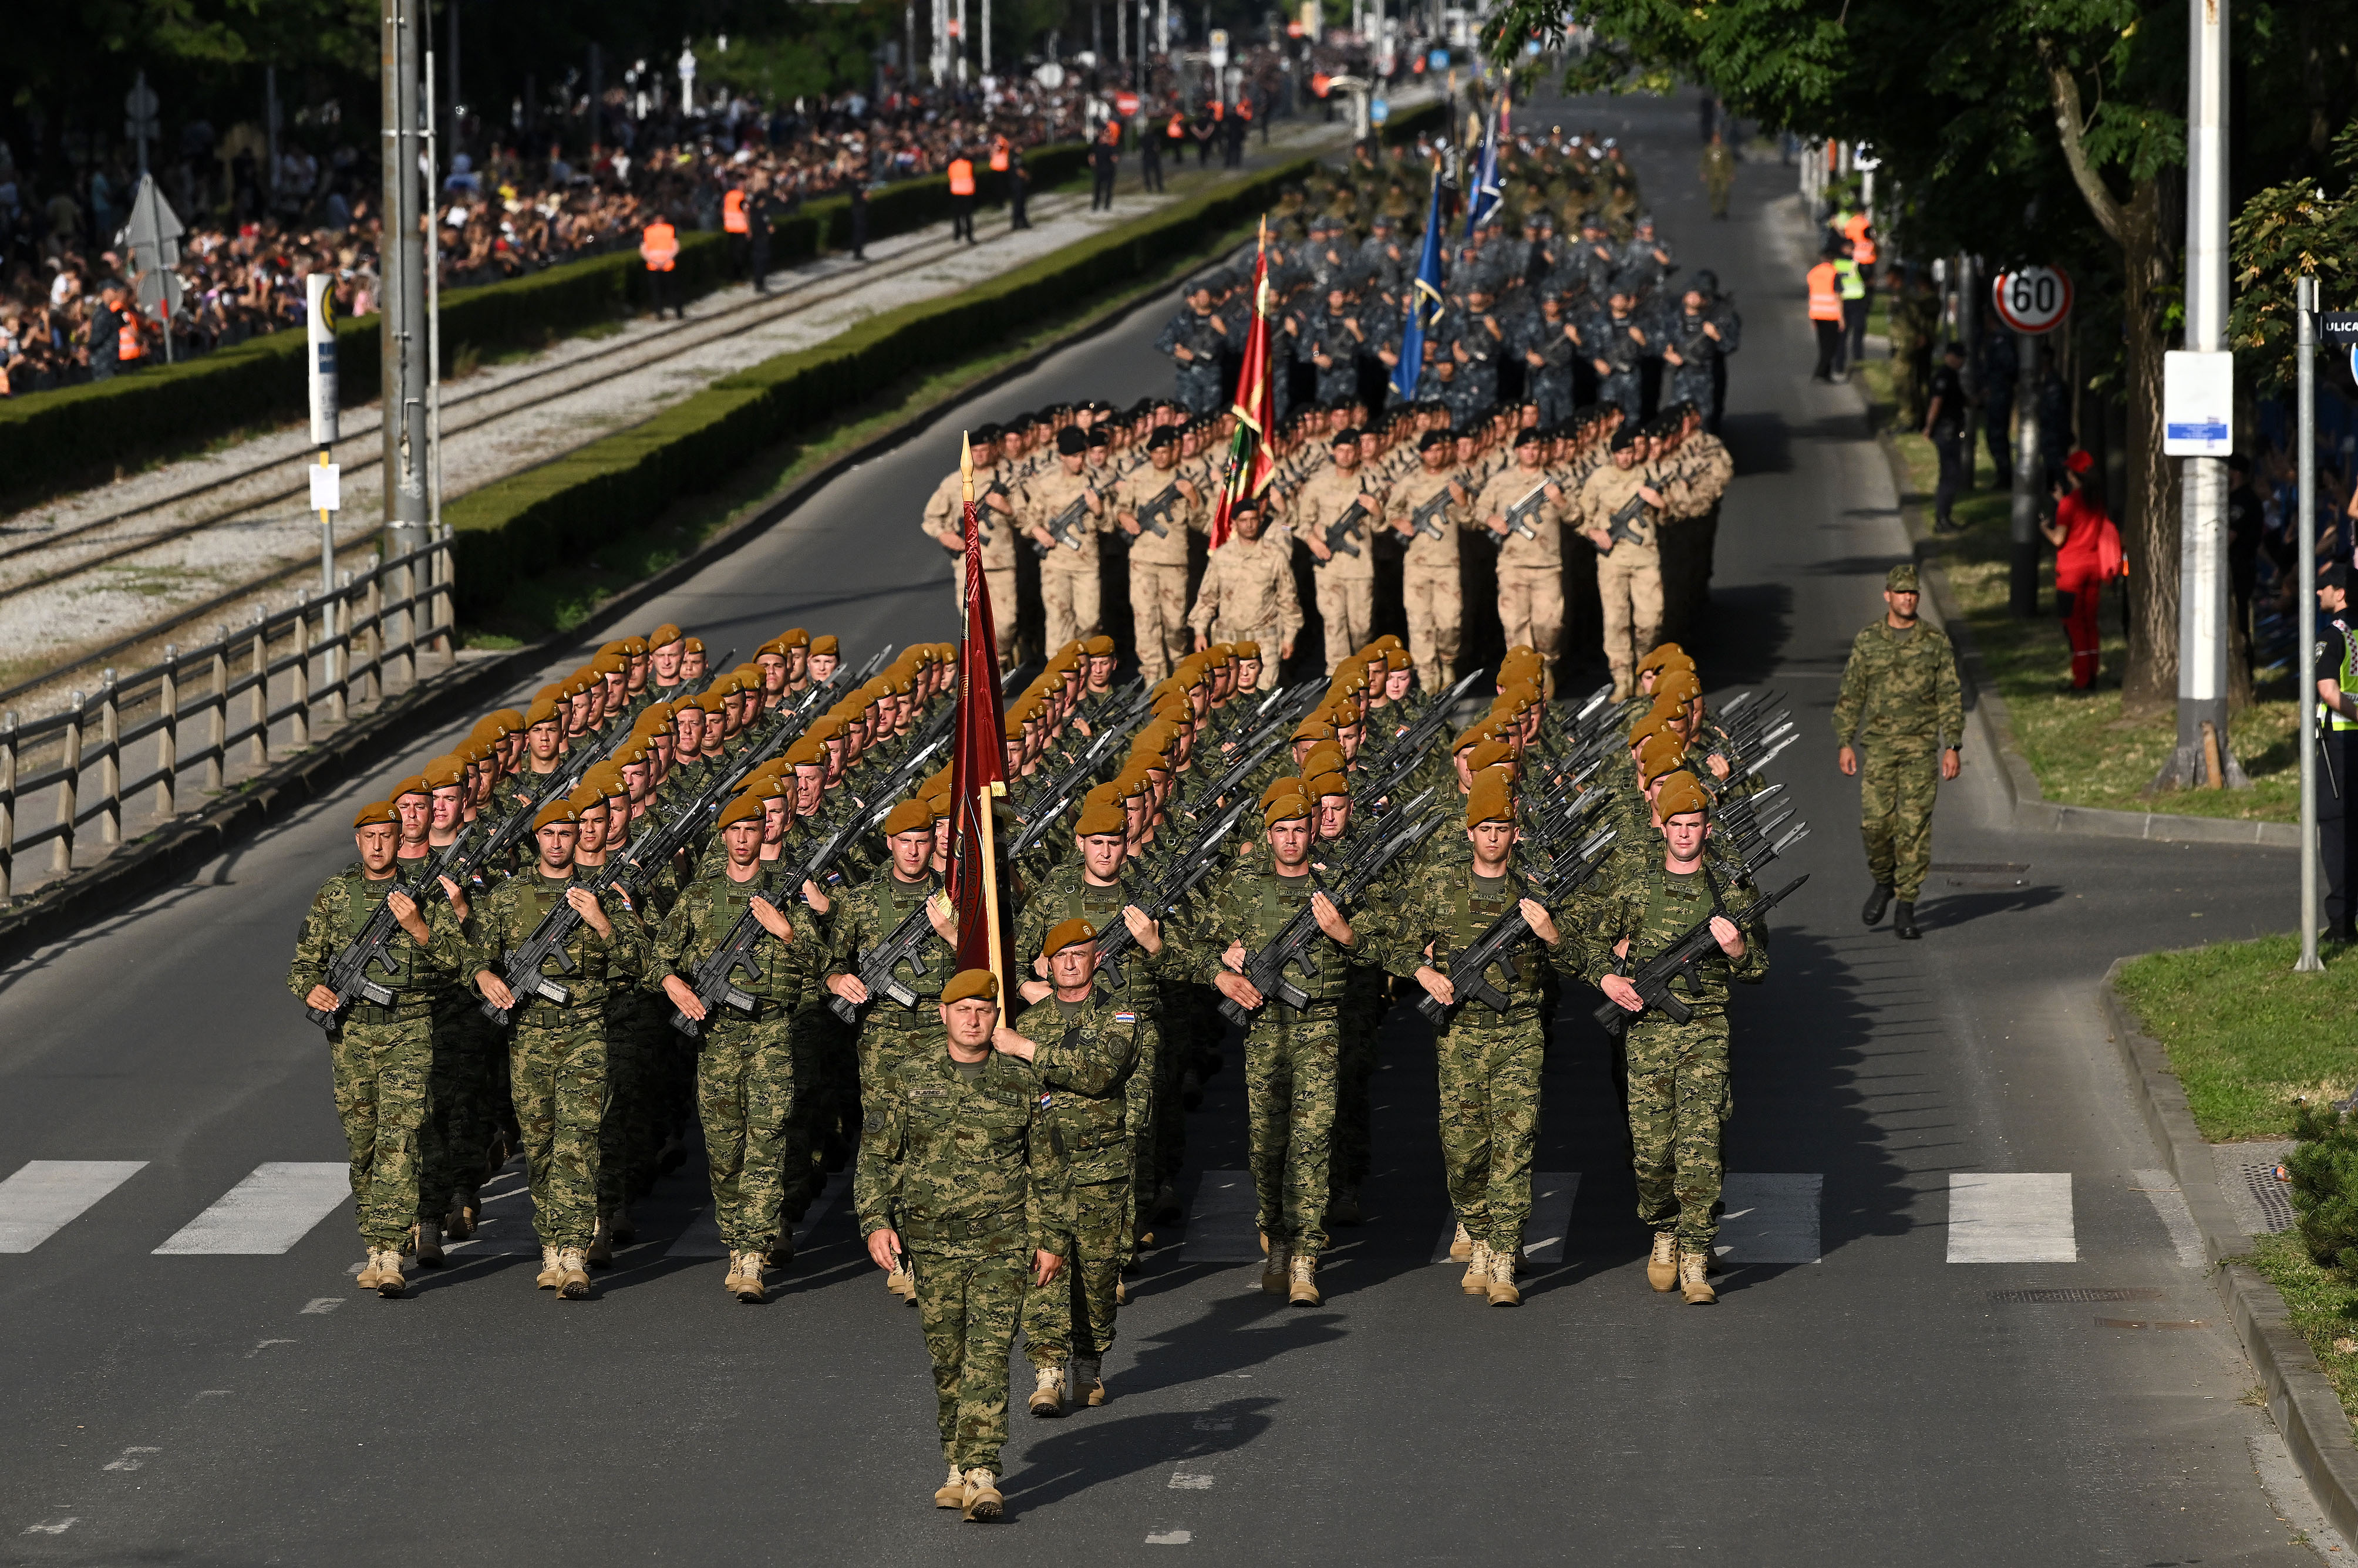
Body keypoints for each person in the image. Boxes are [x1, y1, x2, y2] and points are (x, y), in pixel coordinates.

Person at [857, 968, 1069, 1522]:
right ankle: (956, 1458)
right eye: (963, 1010)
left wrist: (1051, 1239)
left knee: (988, 1354)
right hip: (932, 1245)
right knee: (948, 1358)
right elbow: (878, 1156)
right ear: (944, 1015)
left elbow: (1048, 1167)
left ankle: (981, 1471)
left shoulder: (1023, 1082)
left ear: (996, 1017)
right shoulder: (907, 1077)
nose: (974, 1020)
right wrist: (877, 1221)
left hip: (1003, 1241)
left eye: (984, 1010)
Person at [1374, 774, 1577, 1306]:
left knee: (1515, 1145)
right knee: (1464, 1152)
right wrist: (1422, 972)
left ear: (1515, 833)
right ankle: (1479, 1228)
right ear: (1469, 834)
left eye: (1502, 828)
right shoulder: (1440, 886)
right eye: (1484, 828)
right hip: (1460, 1035)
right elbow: (1394, 943)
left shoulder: (1536, 887)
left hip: (1519, 1031)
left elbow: (1581, 957)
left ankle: (1503, 1251)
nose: (1493, 837)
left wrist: (1552, 933)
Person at [1585, 770, 1771, 1305]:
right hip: (1646, 1035)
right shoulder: (1636, 886)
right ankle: (1663, 1228)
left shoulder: (1730, 889)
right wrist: (1609, 976)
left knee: (1700, 1146)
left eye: (1695, 824)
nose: (1686, 833)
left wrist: (1737, 951)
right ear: (1662, 827)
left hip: (1706, 1030)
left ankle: (1694, 1253)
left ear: (1708, 829)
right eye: (1677, 824)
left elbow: (1758, 967)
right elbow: (1585, 945)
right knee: (1650, 1154)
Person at [466, 797, 645, 1297]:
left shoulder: (604, 892)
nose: (560, 841)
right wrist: (484, 974)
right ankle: (551, 1244)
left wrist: (603, 922)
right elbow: (472, 952)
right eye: (550, 833)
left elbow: (641, 959)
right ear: (536, 839)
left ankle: (572, 1252)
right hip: (529, 1036)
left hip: (586, 1029)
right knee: (541, 1145)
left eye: (568, 833)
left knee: (579, 1140)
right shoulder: (509, 896)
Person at [1193, 788, 1363, 1306]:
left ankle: (1306, 1254)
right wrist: (1222, 968)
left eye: (1299, 829)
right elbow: (1195, 941)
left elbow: (1382, 941)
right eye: (1281, 830)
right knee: (1267, 1145)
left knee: (1312, 1139)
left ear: (1313, 829)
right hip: (1265, 1027)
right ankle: (1277, 1235)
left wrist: (1344, 932)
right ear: (1268, 835)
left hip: (1319, 1024)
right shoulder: (1243, 884)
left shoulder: (1334, 882)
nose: (1291, 839)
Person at [287, 801, 463, 1296]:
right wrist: (312, 989)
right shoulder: (335, 894)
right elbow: (303, 963)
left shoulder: (420, 894)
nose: (380, 844)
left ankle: (389, 1251)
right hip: (352, 1035)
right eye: (371, 837)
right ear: (358, 841)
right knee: (363, 1142)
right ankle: (375, 1237)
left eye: (388, 835)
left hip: (408, 1028)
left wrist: (419, 927)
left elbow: (457, 959)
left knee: (397, 1138)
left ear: (399, 837)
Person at [652, 793, 819, 1303]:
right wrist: (673, 984)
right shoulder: (701, 896)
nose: (745, 838)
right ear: (723, 836)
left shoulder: (783, 894)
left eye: (754, 829)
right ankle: (735, 1237)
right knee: (726, 1151)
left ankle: (752, 1252)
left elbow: (821, 960)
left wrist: (785, 929)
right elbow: (659, 950)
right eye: (736, 830)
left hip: (771, 1032)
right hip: (719, 1036)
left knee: (767, 1144)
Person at [1006, 919, 1140, 1418]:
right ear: (1046, 963)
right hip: (1044, 1171)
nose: (1067, 962)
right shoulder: (1030, 1021)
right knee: (1043, 1266)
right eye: (1059, 955)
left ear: (1096, 959)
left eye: (1078, 953)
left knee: (1098, 1275)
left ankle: (1089, 1357)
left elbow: (1100, 1072)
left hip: (1099, 1168)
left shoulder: (1119, 1017)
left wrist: (1028, 1051)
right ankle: (1048, 1368)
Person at [1833, 564, 1964, 941]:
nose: (1908, 598)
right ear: (1887, 595)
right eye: (1901, 592)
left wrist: (1953, 745)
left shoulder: (1935, 642)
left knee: (1913, 829)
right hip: (1879, 749)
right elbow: (1852, 691)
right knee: (1875, 826)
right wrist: (1845, 740)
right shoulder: (1869, 639)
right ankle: (1883, 880)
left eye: (1913, 593)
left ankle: (1907, 905)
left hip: (1921, 749)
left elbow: (1950, 696)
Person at [1187, 496, 1302, 676]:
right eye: (1243, 521)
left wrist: (1289, 637)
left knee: (1265, 699)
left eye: (1253, 520)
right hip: (1227, 643)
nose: (1249, 525)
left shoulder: (1275, 556)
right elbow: (1208, 598)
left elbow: (1288, 599)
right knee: (1228, 700)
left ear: (1260, 520)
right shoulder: (1222, 556)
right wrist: (1200, 632)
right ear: (1234, 523)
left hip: (1264, 643)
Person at [2040, 450, 2118, 691]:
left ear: (2073, 475)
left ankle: (2082, 679)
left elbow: (2058, 539)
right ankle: (2092, 671)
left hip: (2071, 573)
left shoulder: (2068, 504)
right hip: (2093, 569)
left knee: (2074, 626)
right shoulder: (2096, 500)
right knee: (2090, 624)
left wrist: (2045, 527)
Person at [2315, 565, 2358, 943]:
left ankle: (2342, 925)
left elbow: (2329, 691)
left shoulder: (2334, 636)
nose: (2317, 593)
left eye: (2322, 587)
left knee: (2336, 831)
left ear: (2341, 593)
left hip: (2340, 746)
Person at [1925, 342, 1969, 534]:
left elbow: (1959, 400)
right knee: (1950, 476)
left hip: (1952, 431)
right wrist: (1929, 427)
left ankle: (1944, 517)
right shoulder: (1944, 376)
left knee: (1951, 475)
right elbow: (1937, 403)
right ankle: (1942, 520)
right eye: (1959, 357)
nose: (1962, 361)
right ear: (1949, 356)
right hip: (1946, 432)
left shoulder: (1952, 376)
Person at [1807, 247, 1844, 382]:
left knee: (1823, 346)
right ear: (1834, 259)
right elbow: (1838, 296)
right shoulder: (1834, 273)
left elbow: (1812, 294)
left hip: (1817, 313)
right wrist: (1842, 318)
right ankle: (1820, 372)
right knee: (1832, 347)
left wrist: (1811, 316)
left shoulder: (1814, 273)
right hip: (1831, 315)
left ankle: (1826, 375)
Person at [639, 215, 684, 319]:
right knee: (673, 289)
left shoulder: (648, 231)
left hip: (653, 265)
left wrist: (652, 260)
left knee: (656, 291)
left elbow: (643, 248)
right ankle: (679, 312)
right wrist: (668, 259)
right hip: (668, 264)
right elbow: (676, 245)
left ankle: (659, 313)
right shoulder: (670, 229)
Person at [1700, 130, 1735, 220]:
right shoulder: (1709, 150)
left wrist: (1731, 173)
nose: (1717, 140)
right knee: (1713, 193)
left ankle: (1723, 210)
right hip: (1712, 174)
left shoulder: (1725, 149)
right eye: (1715, 139)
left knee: (1724, 192)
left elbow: (1730, 162)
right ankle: (1715, 211)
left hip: (1723, 174)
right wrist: (1703, 173)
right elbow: (1704, 161)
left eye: (1718, 139)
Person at [947, 149, 978, 244]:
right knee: (968, 216)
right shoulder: (969, 164)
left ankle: (957, 235)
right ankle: (969, 236)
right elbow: (973, 176)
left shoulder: (952, 165)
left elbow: (950, 177)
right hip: (967, 192)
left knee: (957, 216)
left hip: (956, 192)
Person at [1091, 120, 1120, 212]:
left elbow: (1092, 159)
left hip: (1106, 169)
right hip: (1103, 169)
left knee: (1104, 189)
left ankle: (1102, 205)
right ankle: (1099, 205)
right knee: (1100, 189)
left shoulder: (1109, 145)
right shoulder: (1100, 145)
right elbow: (1092, 158)